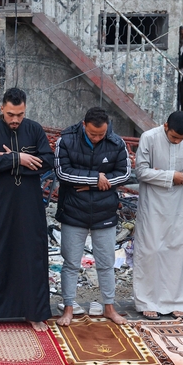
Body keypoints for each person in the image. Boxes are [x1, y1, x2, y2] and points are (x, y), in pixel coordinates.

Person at [0, 88, 54, 333]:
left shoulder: (34, 129)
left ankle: (34, 313)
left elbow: (48, 161)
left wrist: (20, 160)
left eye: (19, 114)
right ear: (2, 109)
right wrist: (16, 160)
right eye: (10, 114)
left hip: (29, 205)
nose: (15, 120)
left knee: (31, 255)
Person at [55, 107, 131, 326]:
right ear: (83, 125)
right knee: (70, 263)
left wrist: (89, 186)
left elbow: (124, 173)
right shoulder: (66, 141)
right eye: (92, 134)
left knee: (106, 263)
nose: (97, 138)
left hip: (104, 211)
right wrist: (96, 178)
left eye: (101, 134)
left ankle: (109, 307)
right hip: (73, 211)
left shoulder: (117, 143)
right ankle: (68, 308)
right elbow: (62, 172)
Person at [133, 111, 183, 320]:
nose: (177, 141)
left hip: (179, 204)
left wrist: (174, 175)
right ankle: (147, 301)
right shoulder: (149, 137)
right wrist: (172, 176)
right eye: (174, 137)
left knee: (177, 250)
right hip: (152, 203)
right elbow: (141, 171)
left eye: (181, 138)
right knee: (151, 250)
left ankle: (178, 301)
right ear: (165, 127)